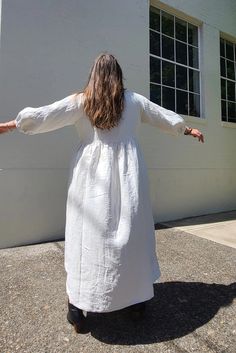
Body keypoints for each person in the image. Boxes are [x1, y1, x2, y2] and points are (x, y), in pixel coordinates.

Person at [0, 53, 204, 333]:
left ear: (94, 74)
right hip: (129, 177)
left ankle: (77, 309)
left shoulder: (81, 101)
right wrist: (186, 129)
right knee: (132, 234)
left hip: (89, 179)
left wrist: (12, 125)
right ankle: (134, 300)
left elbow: (46, 115)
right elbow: (162, 116)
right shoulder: (133, 100)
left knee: (88, 238)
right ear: (119, 75)